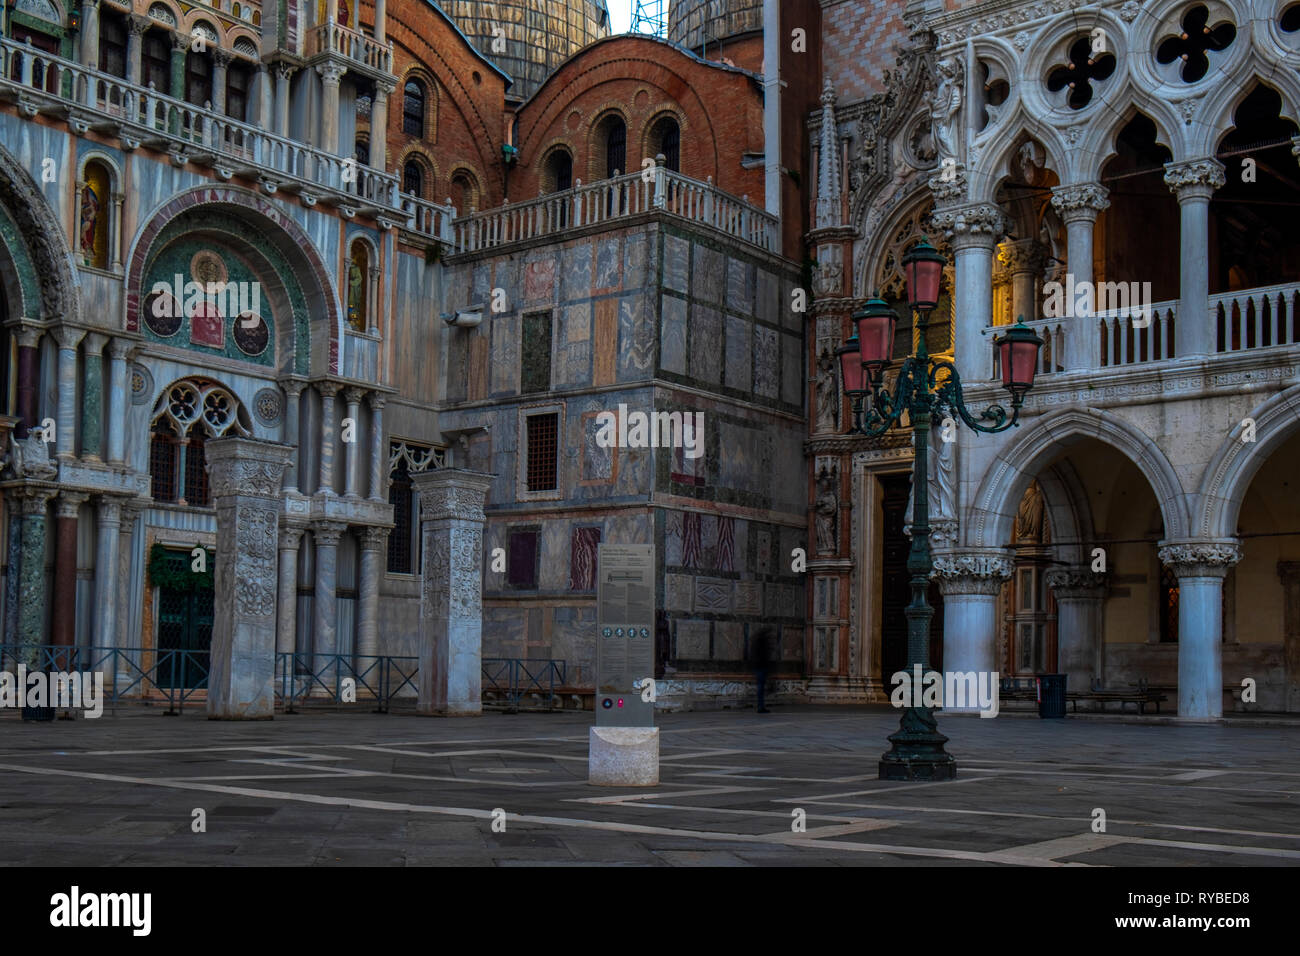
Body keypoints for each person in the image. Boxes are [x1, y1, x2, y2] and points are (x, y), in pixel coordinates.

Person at [750, 627, 774, 714]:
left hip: (759, 666)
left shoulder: (757, 642)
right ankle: (761, 706)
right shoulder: (762, 643)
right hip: (761, 667)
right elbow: (763, 656)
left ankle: (761, 706)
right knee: (761, 688)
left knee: (761, 687)